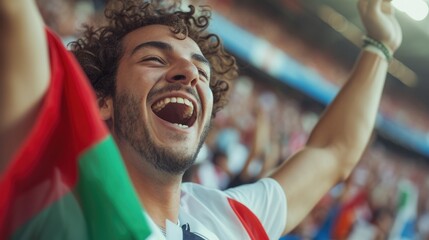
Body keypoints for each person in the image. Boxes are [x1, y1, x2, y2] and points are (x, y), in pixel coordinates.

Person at [0, 0, 402, 239]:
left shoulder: (228, 219)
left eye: (201, 72)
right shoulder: (60, 208)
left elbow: (332, 152)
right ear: (102, 100)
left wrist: (381, 45)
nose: (189, 74)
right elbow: (14, 26)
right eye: (155, 59)